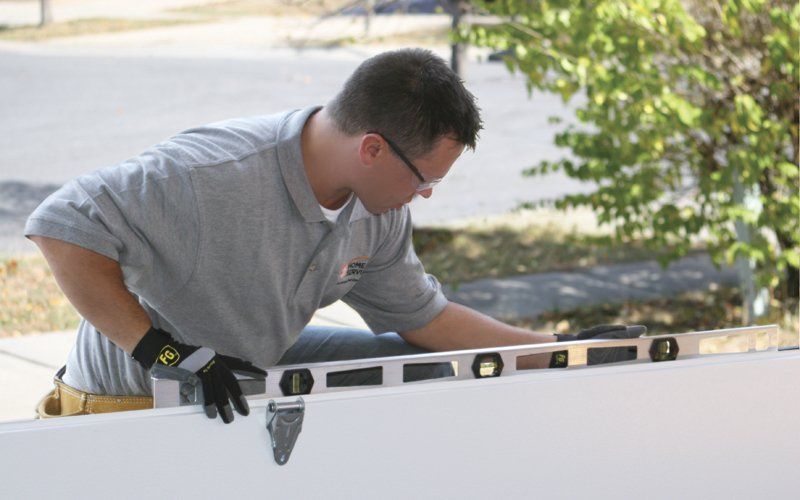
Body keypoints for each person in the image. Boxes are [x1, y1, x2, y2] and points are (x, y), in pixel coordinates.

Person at [26, 48, 642, 423]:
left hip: (242, 369)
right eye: (424, 178)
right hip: (128, 402)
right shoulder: (209, 175)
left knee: (434, 368)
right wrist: (166, 354)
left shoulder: (378, 209)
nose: (426, 195)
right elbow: (60, 228)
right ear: (372, 147)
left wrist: (561, 348)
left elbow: (426, 319)